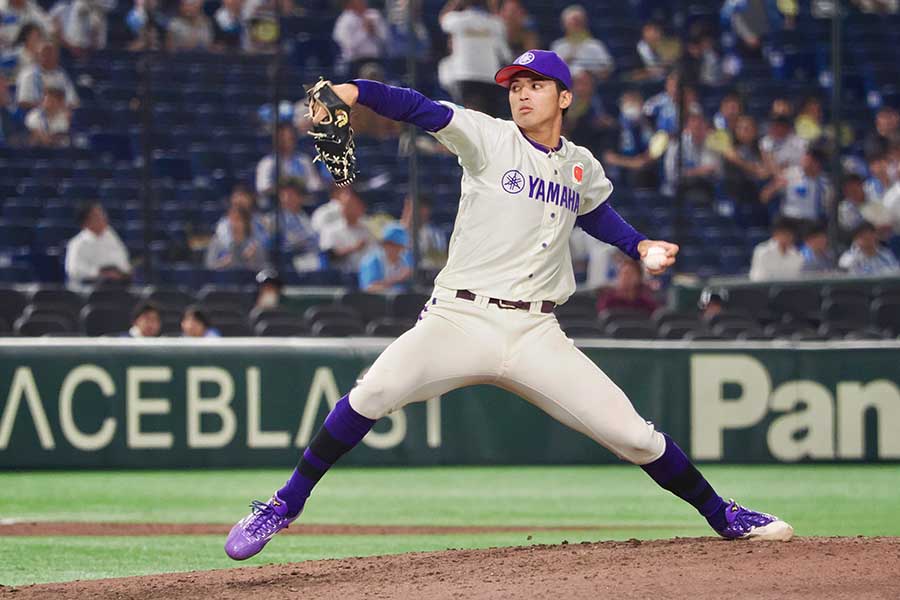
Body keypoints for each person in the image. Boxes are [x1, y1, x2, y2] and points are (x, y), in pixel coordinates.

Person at [225, 49, 792, 563]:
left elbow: (591, 210)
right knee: (371, 392)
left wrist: (638, 244)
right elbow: (419, 108)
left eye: (535, 84)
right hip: (458, 319)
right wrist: (354, 91)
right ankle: (283, 503)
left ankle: (725, 515)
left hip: (535, 332)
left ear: (564, 97)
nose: (520, 93)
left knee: (636, 437)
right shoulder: (488, 137)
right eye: (514, 84)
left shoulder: (581, 164)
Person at [437, 0, 511, 117]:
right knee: (490, 118)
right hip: (489, 76)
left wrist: (455, 2)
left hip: (466, 75)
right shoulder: (495, 23)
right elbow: (505, 55)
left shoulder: (457, 20)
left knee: (469, 117)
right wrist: (493, 6)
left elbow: (443, 19)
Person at [761, 146, 831, 226]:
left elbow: (828, 206)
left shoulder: (825, 182)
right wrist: (775, 188)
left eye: (809, 160)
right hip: (789, 219)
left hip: (812, 222)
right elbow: (764, 197)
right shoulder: (790, 174)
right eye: (804, 159)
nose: (804, 162)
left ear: (817, 164)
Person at [601, 90, 658, 190]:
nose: (632, 106)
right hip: (621, 174)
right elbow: (608, 157)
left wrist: (646, 159)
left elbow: (655, 147)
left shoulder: (649, 126)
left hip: (646, 172)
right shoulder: (616, 127)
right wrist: (632, 163)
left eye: (635, 102)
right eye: (629, 103)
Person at [65, 202, 131, 287]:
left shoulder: (111, 236)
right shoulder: (77, 243)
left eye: (102, 214)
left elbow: (123, 258)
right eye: (97, 215)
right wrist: (99, 273)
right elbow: (74, 270)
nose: (103, 217)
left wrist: (121, 272)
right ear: (86, 222)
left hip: (115, 285)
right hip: (88, 289)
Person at [662, 112, 721, 203]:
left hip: (706, 187)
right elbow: (671, 175)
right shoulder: (677, 145)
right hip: (678, 188)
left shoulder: (712, 144)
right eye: (695, 128)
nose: (698, 131)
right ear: (687, 129)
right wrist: (697, 171)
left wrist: (691, 172)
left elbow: (715, 171)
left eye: (701, 127)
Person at [255, 123, 324, 199]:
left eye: (289, 138)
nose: (286, 142)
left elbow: (314, 186)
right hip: (275, 205)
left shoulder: (304, 160)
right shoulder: (267, 163)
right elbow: (262, 188)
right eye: (282, 138)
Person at [549, 4, 614, 81]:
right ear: (564, 25)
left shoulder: (595, 45)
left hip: (592, 85)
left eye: (578, 23)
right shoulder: (558, 46)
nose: (575, 27)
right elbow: (551, 72)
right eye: (572, 23)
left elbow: (607, 69)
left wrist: (590, 74)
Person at [318, 186, 373, 273]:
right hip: (340, 279)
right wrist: (353, 248)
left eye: (351, 205)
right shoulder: (330, 229)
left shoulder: (367, 230)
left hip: (366, 276)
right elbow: (328, 257)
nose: (347, 208)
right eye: (345, 205)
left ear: (361, 207)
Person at [15, 41, 78, 110]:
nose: (50, 57)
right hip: (35, 116)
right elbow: (23, 102)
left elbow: (73, 101)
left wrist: (60, 109)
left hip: (60, 115)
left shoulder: (61, 74)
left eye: (52, 54)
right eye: (46, 54)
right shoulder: (29, 74)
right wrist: (46, 108)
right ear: (38, 56)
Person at [332, 0, 388, 76]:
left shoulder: (374, 15)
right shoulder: (344, 20)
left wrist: (374, 31)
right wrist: (364, 32)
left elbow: (385, 38)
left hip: (376, 60)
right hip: (355, 61)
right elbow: (348, 46)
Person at [205, 206, 268, 271]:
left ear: (246, 223)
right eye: (231, 220)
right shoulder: (217, 242)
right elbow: (208, 269)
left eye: (238, 220)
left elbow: (263, 272)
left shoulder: (255, 245)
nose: (233, 224)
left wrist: (252, 260)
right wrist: (221, 264)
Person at [358, 222, 413, 292]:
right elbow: (369, 288)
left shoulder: (405, 261)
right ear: (384, 244)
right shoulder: (371, 261)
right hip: (375, 302)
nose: (397, 249)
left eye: (399, 245)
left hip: (400, 302)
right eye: (391, 244)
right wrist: (397, 279)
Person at [595, 258, 659, 315]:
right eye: (623, 274)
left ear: (639, 278)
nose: (625, 278)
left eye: (630, 274)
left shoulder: (647, 304)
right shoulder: (608, 301)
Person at [400, 193, 447, 269]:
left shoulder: (435, 234)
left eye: (424, 209)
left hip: (424, 275)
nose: (420, 213)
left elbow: (440, 261)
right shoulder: (392, 230)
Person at [749, 217, 803, 281]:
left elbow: (796, 280)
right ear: (775, 234)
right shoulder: (762, 252)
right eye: (784, 234)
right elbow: (758, 279)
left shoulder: (797, 255)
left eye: (790, 235)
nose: (787, 238)